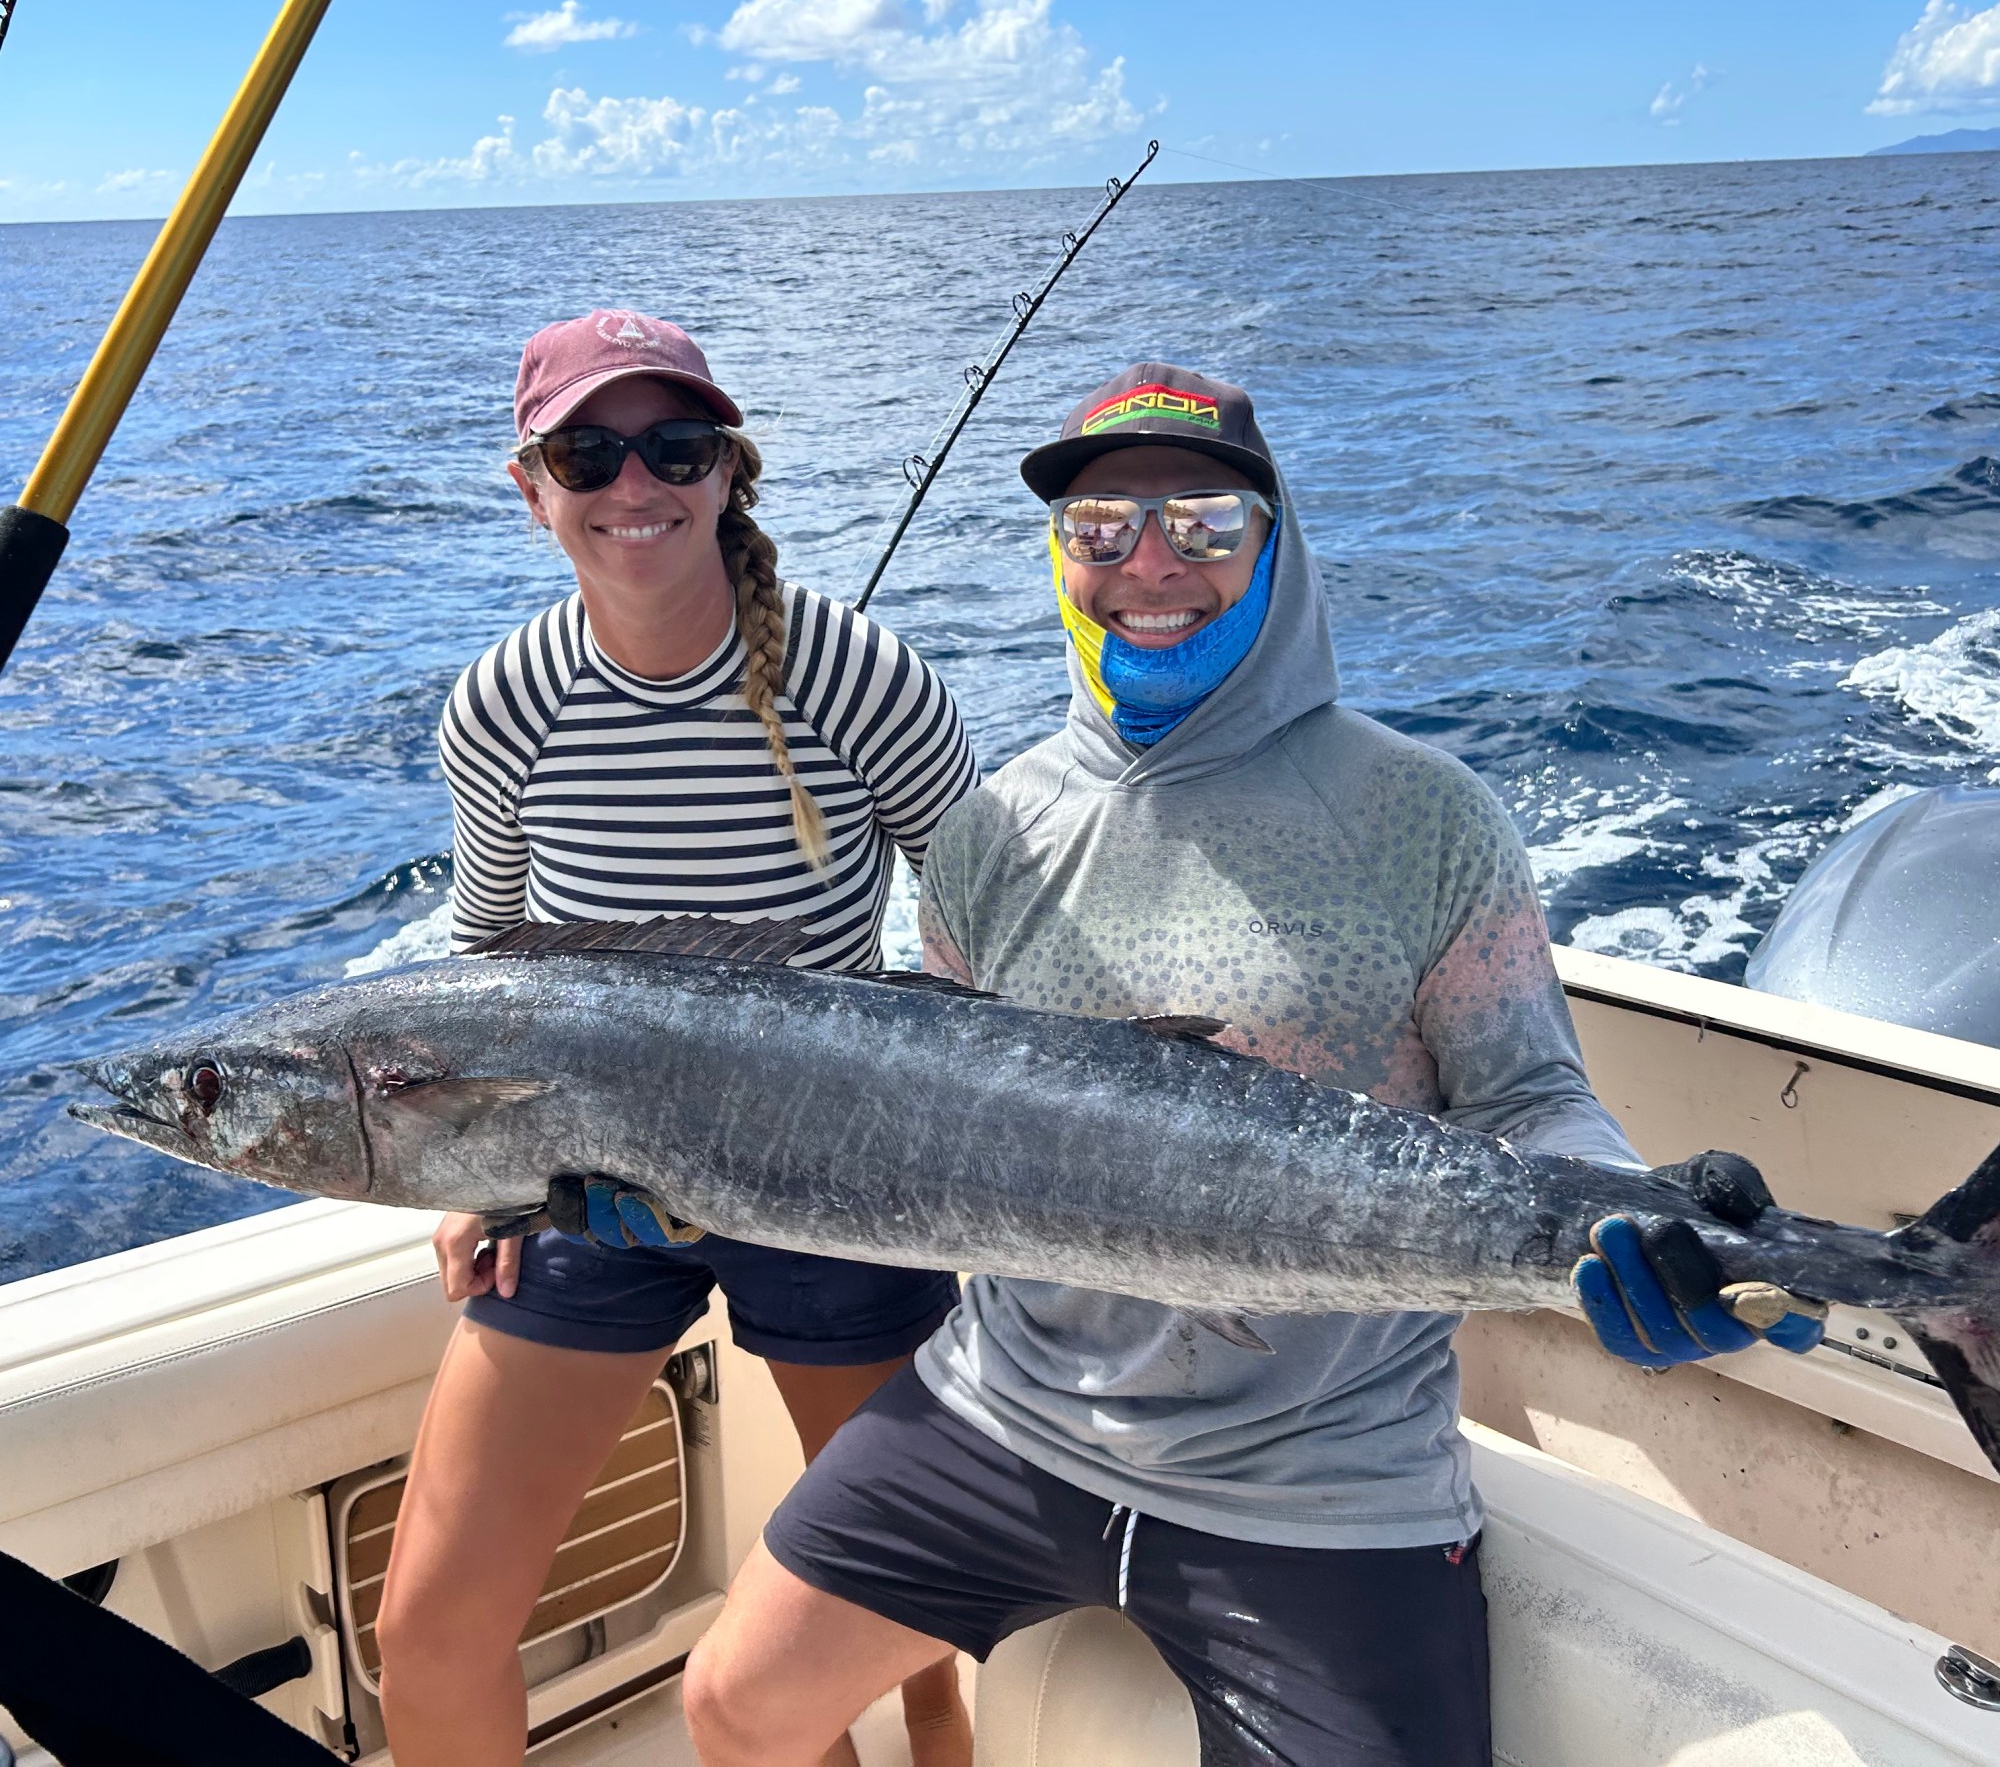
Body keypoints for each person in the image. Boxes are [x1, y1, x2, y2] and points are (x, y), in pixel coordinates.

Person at [679, 363, 1824, 1765]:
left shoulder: (1427, 815)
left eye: (1204, 525)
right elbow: (949, 1119)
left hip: (1321, 1474)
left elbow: (1530, 1100)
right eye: (1101, 530)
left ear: (1279, 550)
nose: (1150, 567)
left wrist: (1647, 1229)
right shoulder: (990, 833)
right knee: (730, 1702)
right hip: (1006, 1411)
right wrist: (675, 1178)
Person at [373, 309, 979, 1767]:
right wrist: (478, 1176)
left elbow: (987, 927)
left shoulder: (854, 673)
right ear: (533, 489)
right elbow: (490, 957)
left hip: (838, 1186)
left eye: (675, 447)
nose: (632, 483)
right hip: (589, 1197)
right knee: (430, 1628)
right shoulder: (504, 705)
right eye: (587, 454)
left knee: (911, 1642)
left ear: (727, 472)